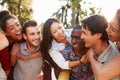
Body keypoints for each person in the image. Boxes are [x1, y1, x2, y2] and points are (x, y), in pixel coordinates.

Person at [0, 10, 41, 80]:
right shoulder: (5, 46)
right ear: (6, 33)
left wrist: (28, 57)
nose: (17, 29)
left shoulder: (27, 35)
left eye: (17, 24)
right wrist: (13, 54)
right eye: (12, 28)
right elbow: (8, 68)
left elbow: (44, 49)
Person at [81, 14, 120, 80]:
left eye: (84, 33)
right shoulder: (94, 49)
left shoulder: (113, 59)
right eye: (108, 25)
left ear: (98, 35)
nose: (81, 37)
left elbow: (101, 75)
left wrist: (90, 56)